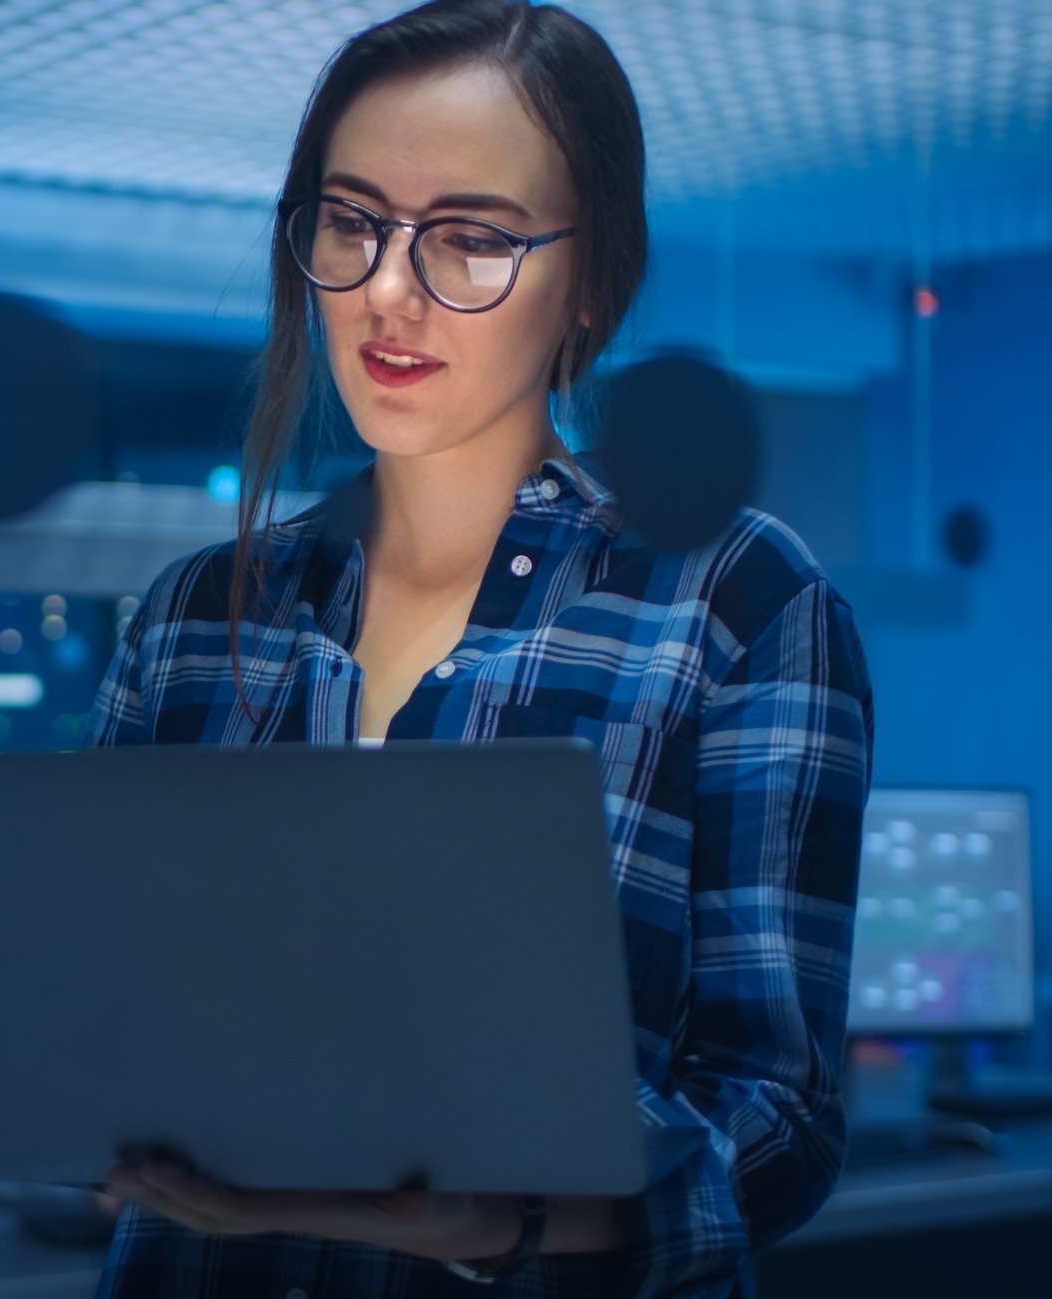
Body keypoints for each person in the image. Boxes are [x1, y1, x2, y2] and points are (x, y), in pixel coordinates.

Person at [87, 3, 874, 1295]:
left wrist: (482, 1216)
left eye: (471, 240)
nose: (388, 290)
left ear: (592, 286)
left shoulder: (734, 599)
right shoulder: (192, 617)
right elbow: (94, 1026)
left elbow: (775, 1121)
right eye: (350, 223)